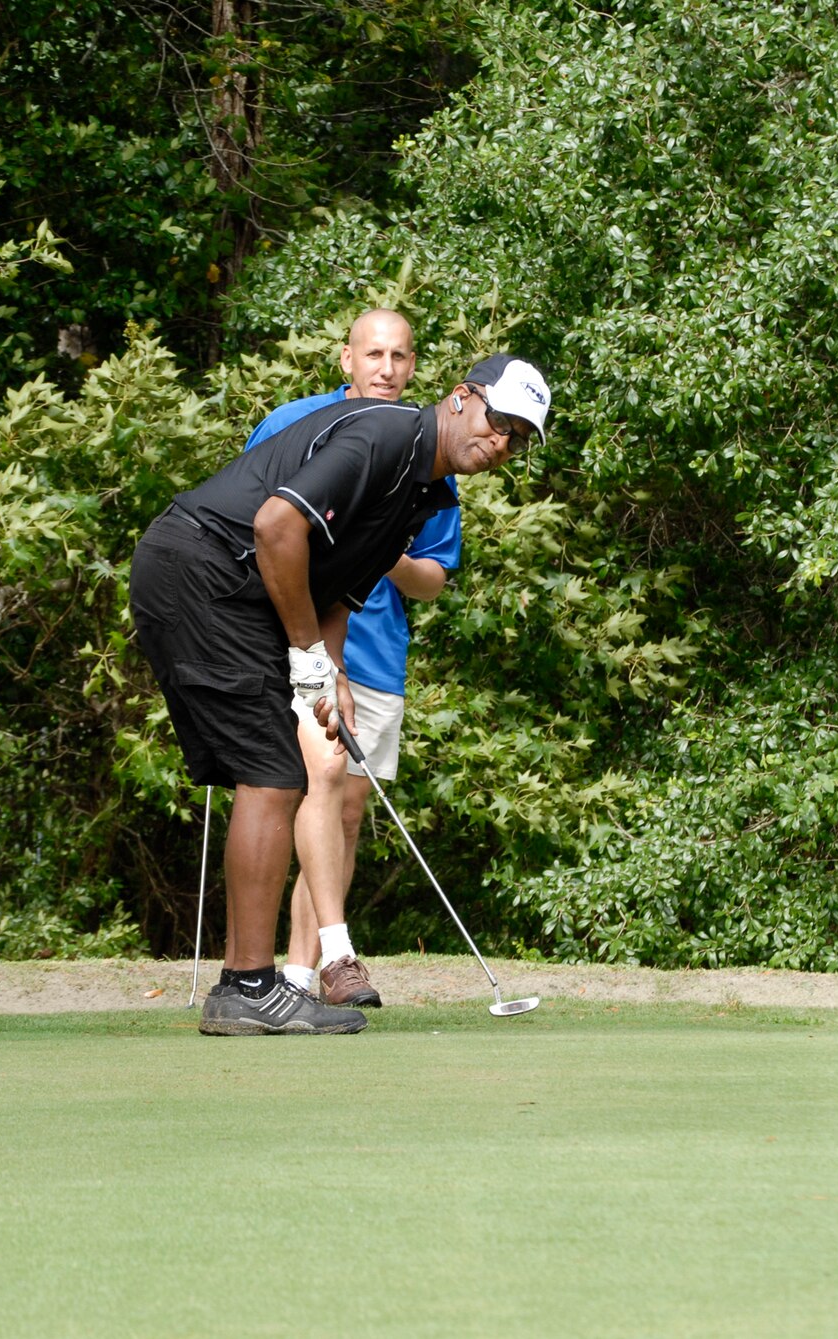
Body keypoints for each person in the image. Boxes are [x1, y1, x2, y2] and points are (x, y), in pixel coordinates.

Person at [131, 354, 551, 1035]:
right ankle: (246, 987)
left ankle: (251, 984)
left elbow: (337, 590)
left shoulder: (425, 494)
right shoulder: (387, 435)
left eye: (519, 436)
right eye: (498, 419)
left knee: (272, 771)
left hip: (223, 585)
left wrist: (335, 674)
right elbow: (276, 527)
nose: (502, 441)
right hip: (203, 569)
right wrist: (304, 657)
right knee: (272, 771)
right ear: (459, 397)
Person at [240, 310, 461, 1009]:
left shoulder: (432, 458)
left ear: (413, 366)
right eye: (374, 353)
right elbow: (258, 514)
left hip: (372, 649)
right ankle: (259, 966)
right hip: (282, 634)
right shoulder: (294, 421)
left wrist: (373, 543)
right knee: (285, 789)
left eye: (400, 356)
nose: (387, 367)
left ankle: (305, 974)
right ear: (346, 359)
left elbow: (432, 577)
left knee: (341, 809)